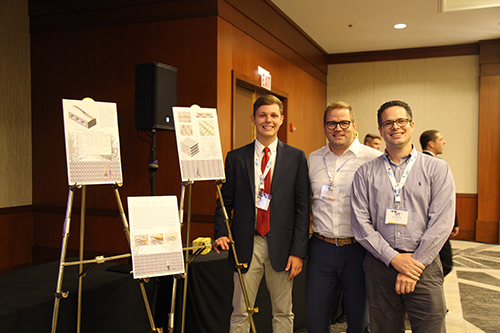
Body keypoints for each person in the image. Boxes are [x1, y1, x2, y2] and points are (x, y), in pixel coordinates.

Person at [350, 100, 456, 333]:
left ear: (412, 124)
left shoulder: (437, 169)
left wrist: (414, 264)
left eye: (401, 121)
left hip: (424, 267)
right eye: (388, 122)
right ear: (380, 129)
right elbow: (360, 224)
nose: (395, 126)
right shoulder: (365, 172)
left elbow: (442, 223)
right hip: (380, 266)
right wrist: (394, 259)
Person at [213, 95, 310, 332]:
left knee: (283, 312)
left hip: (283, 247)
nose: (268, 120)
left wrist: (298, 251)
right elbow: (224, 202)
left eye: (274, 115)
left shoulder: (296, 157)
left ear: (282, 119)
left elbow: (302, 208)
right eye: (263, 115)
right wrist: (221, 232)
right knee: (240, 311)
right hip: (247, 244)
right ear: (254, 119)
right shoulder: (236, 157)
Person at [306, 101, 381, 333]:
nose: (338, 128)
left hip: (358, 249)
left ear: (354, 125)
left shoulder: (374, 159)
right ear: (324, 126)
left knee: (359, 319)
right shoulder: (313, 158)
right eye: (332, 123)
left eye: (344, 122)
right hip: (321, 247)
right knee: (315, 317)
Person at [420, 129, 459, 276]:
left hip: (428, 223)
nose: (444, 142)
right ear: (431, 144)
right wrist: (453, 222)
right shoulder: (436, 165)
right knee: (445, 263)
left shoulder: (421, 163)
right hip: (434, 224)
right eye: (441, 139)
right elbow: (443, 198)